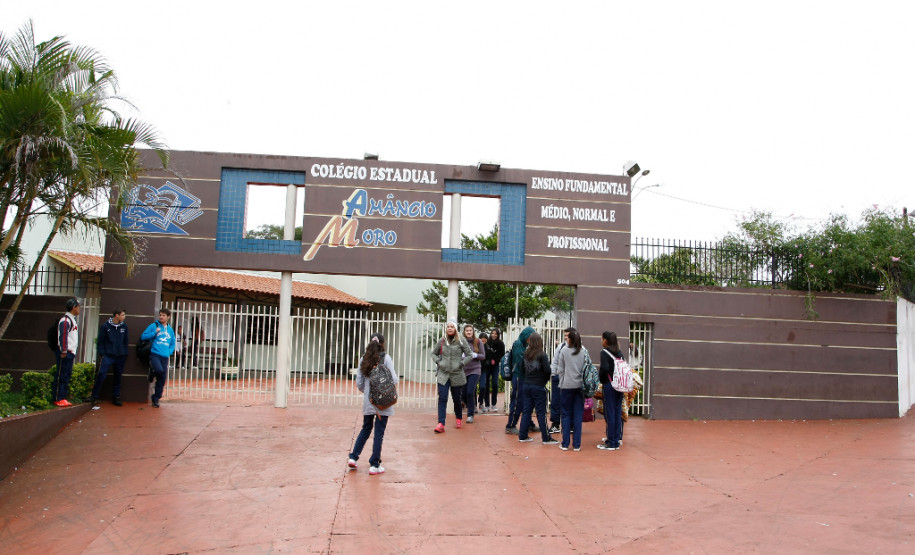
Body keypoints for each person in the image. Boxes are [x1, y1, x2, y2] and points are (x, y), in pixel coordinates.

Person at [347, 333, 397, 475]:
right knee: (379, 432)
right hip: (383, 402)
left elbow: (359, 383)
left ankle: (353, 457)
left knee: (366, 428)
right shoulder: (386, 358)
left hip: (369, 402)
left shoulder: (364, 359)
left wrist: (368, 392)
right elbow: (394, 379)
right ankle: (374, 464)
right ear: (383, 343)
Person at [517, 333, 560, 445]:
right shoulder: (542, 355)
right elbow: (547, 371)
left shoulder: (525, 354)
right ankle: (546, 438)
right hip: (538, 386)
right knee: (541, 413)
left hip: (527, 385)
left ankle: (522, 435)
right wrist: (543, 381)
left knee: (526, 411)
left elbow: (522, 369)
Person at [431, 319, 472, 432]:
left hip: (456, 374)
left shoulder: (461, 340)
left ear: (455, 328)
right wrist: (438, 362)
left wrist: (461, 364)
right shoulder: (442, 340)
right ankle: (441, 423)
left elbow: (469, 355)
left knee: (456, 398)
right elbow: (433, 353)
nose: (449, 328)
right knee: (442, 398)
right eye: (448, 327)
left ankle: (458, 418)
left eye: (452, 327)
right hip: (443, 374)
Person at [87, 308, 129, 406]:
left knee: (118, 377)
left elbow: (125, 341)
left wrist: (124, 353)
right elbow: (100, 341)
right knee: (101, 374)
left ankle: (116, 397)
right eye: (122, 315)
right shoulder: (105, 326)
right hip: (108, 356)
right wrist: (103, 353)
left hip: (120, 356)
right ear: (117, 315)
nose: (124, 317)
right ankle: (94, 396)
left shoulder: (124, 327)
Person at [556, 330, 589, 451]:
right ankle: (577, 445)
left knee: (565, 414)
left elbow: (560, 369)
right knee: (578, 415)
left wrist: (562, 381)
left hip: (566, 386)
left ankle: (565, 443)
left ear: (570, 339)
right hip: (580, 386)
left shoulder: (564, 351)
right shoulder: (583, 352)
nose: (566, 339)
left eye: (567, 337)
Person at [141, 308, 177, 408]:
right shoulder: (154, 326)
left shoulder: (170, 330)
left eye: (163, 315)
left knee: (162, 378)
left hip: (164, 356)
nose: (161, 317)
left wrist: (169, 352)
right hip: (155, 354)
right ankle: (152, 371)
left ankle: (156, 398)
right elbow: (143, 337)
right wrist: (154, 333)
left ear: (168, 317)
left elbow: (172, 343)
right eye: (160, 315)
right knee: (159, 370)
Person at [505, 326, 535, 435]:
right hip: (519, 376)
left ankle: (529, 423)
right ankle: (511, 425)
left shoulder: (523, 345)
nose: (530, 340)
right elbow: (522, 361)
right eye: (530, 337)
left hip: (522, 377)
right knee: (517, 401)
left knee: (525, 401)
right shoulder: (518, 344)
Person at [598, 331, 625, 450]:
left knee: (610, 413)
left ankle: (611, 442)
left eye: (602, 339)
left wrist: (601, 379)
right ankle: (616, 441)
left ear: (606, 340)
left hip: (609, 385)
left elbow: (604, 368)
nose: (601, 341)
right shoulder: (620, 353)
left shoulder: (604, 352)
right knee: (617, 412)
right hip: (620, 385)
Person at [52, 297, 80, 407]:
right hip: (65, 352)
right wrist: (64, 350)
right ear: (73, 307)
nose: (79, 309)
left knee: (66, 375)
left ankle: (62, 397)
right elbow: (63, 336)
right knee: (61, 376)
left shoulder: (72, 320)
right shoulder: (65, 320)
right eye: (78, 307)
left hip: (70, 352)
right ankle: (58, 398)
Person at [549, 327, 576, 434]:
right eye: (564, 335)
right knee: (556, 402)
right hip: (558, 378)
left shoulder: (580, 348)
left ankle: (571, 425)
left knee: (570, 402)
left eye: (567, 335)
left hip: (572, 380)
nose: (565, 338)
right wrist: (554, 374)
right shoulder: (560, 347)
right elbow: (555, 361)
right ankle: (555, 424)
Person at [460, 325, 485, 423]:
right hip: (464, 370)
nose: (469, 332)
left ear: (473, 332)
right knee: (464, 394)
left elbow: (483, 356)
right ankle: (472, 405)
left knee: (470, 391)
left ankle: (470, 415)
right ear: (464, 332)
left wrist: (475, 355)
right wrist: (461, 356)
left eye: (470, 330)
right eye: (467, 330)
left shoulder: (478, 342)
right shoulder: (461, 342)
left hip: (475, 369)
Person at [485, 328, 505, 412]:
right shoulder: (487, 342)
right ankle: (486, 405)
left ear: (498, 335)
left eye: (495, 334)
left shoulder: (500, 343)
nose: (494, 335)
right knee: (486, 384)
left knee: (495, 384)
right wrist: (487, 360)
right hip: (487, 366)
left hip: (495, 366)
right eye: (492, 333)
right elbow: (484, 352)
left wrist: (496, 360)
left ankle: (493, 404)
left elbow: (502, 355)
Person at [476, 332, 494, 411]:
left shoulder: (488, 348)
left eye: (485, 341)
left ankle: (481, 402)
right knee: (474, 387)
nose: (483, 342)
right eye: (482, 341)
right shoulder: (475, 347)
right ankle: (473, 404)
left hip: (483, 370)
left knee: (483, 386)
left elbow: (490, 358)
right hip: (475, 369)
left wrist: (488, 362)